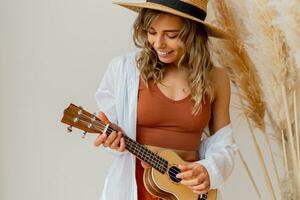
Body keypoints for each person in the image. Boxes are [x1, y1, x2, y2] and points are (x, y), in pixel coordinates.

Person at [94, 0, 237, 200]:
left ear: (193, 34)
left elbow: (224, 145)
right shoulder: (123, 70)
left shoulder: (216, 78)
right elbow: (111, 135)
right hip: (136, 186)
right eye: (152, 32)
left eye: (171, 35)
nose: (158, 43)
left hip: (187, 191)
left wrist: (208, 171)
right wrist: (113, 141)